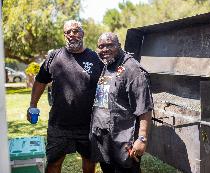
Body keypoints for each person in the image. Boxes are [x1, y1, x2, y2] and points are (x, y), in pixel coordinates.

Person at [27, 20, 103, 173]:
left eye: (75, 31)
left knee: (89, 163)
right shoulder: (54, 57)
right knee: (54, 163)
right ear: (64, 35)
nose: (72, 35)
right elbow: (40, 81)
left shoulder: (96, 58)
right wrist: (32, 105)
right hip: (59, 125)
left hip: (87, 125)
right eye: (68, 32)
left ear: (82, 33)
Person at [90, 32, 153, 173]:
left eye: (109, 45)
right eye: (101, 46)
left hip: (124, 139)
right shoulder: (108, 64)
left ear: (119, 46)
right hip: (104, 137)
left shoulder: (132, 69)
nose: (105, 49)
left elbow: (144, 106)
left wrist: (142, 138)